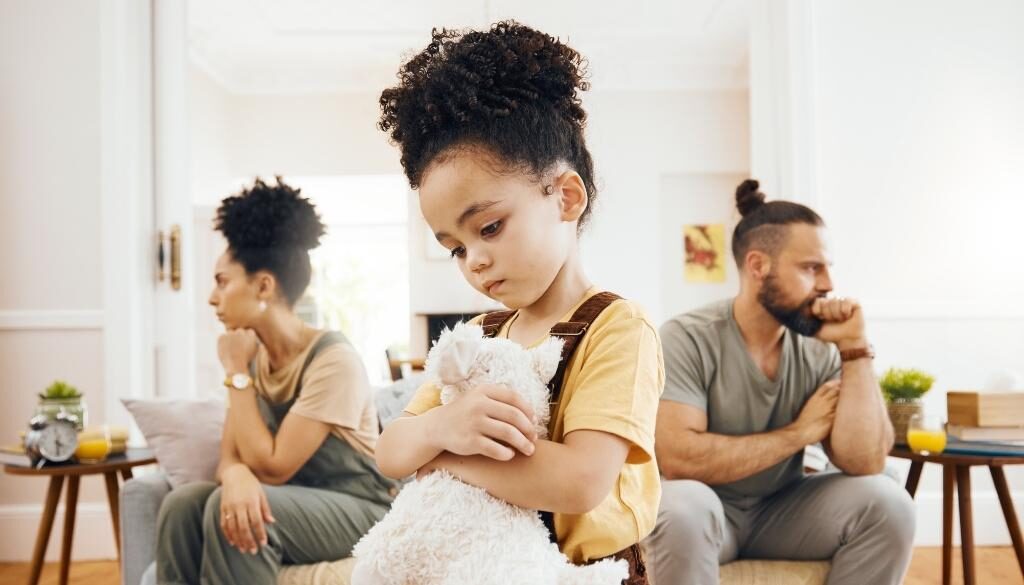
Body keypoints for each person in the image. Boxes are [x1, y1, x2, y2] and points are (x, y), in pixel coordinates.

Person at [371, 21, 664, 582]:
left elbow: (579, 481)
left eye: (489, 226)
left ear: (566, 196)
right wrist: (439, 428)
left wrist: (443, 455)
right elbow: (391, 449)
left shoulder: (619, 329)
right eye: (455, 248)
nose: (473, 260)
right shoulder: (479, 334)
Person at [646, 180, 915, 585]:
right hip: (708, 512)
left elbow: (865, 462)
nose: (828, 284)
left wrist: (856, 348)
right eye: (811, 268)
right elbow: (680, 460)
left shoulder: (822, 347)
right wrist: (799, 434)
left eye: (827, 268)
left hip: (784, 512)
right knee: (682, 505)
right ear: (758, 267)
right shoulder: (685, 337)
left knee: (890, 501)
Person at [156, 177, 396, 584]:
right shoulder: (252, 359)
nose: (212, 298)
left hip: (361, 507)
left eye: (222, 282)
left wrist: (234, 373)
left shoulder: (333, 360)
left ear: (263, 285)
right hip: (295, 500)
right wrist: (234, 475)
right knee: (182, 505)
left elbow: (272, 467)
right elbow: (230, 459)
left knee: (229, 509)